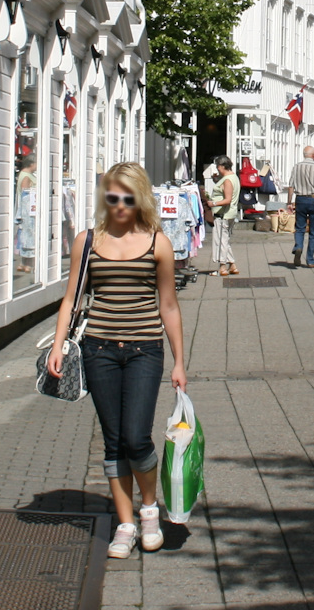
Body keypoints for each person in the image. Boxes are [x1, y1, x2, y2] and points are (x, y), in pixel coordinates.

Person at [46, 162, 187, 560]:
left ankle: (148, 510)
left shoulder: (158, 243)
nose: (120, 204)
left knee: (136, 436)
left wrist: (179, 362)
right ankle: (124, 525)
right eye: (113, 196)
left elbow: (169, 305)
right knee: (112, 441)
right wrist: (57, 346)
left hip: (145, 349)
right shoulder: (87, 241)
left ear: (139, 198)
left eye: (127, 197)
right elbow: (71, 298)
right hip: (98, 350)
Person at [286, 146, 314, 268]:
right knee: (313, 229)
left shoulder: (296, 167)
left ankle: (298, 246)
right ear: (313, 155)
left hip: (300, 199)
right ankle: (310, 259)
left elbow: (291, 186)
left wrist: (289, 202)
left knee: (300, 227)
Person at [208, 157, 240, 276]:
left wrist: (214, 203)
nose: (217, 169)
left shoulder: (227, 180)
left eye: (217, 167)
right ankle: (232, 265)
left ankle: (222, 267)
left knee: (221, 240)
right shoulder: (232, 177)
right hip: (228, 214)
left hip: (223, 214)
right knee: (225, 240)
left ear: (222, 166)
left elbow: (227, 199)